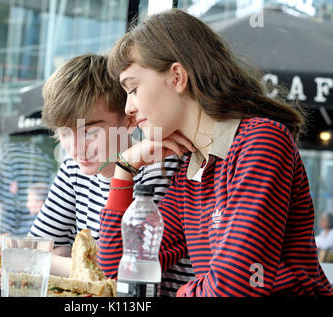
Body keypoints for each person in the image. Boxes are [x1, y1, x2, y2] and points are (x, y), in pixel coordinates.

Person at [97, 9, 333, 296]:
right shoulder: (193, 169)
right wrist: (124, 168)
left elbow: (236, 287)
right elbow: (119, 266)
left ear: (176, 77)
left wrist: (186, 290)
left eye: (133, 89)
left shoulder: (261, 141)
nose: (128, 109)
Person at [0, 53, 195, 296]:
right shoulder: (74, 169)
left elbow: (115, 273)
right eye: (65, 133)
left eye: (89, 131)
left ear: (129, 120)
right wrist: (31, 259)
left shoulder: (162, 167)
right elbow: (39, 248)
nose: (75, 148)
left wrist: (30, 262)